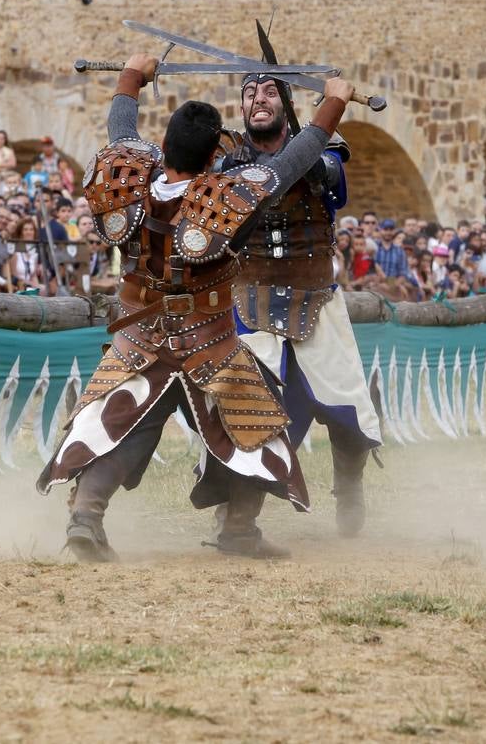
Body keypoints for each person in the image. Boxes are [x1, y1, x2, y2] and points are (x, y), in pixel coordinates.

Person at [36, 53, 355, 562]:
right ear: (214, 159)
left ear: (161, 148)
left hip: (138, 334)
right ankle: (239, 529)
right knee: (256, 423)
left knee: (123, 422)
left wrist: (132, 77)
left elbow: (121, 127)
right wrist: (333, 104)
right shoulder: (227, 196)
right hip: (207, 338)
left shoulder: (131, 177)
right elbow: (291, 163)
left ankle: (86, 517)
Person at [218, 70, 383, 536]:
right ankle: (238, 514)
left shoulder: (327, 151)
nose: (258, 100)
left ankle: (348, 487)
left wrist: (316, 127)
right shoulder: (229, 163)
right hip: (249, 302)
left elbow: (321, 177)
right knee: (244, 407)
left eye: (270, 91)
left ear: (287, 106)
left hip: (315, 300)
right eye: (250, 94)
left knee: (348, 405)